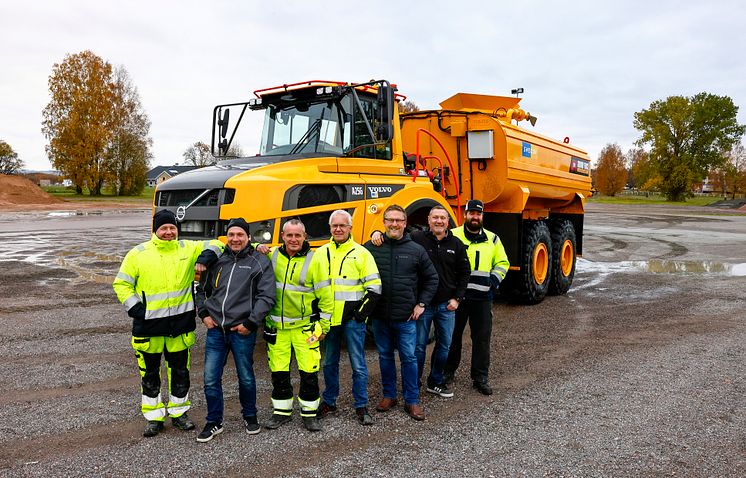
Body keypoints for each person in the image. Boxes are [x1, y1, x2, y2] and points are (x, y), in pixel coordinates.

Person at [113, 209, 223, 438]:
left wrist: (204, 259)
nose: (168, 232)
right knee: (150, 374)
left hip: (180, 327)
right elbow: (121, 284)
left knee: (180, 372)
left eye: (172, 228)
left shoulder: (187, 248)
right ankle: (154, 417)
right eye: (164, 228)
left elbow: (216, 244)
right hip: (148, 327)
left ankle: (179, 413)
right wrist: (135, 308)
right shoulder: (138, 254)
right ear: (155, 230)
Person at [370, 205, 470, 399]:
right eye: (435, 218)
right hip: (422, 305)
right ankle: (414, 383)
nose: (439, 221)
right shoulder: (417, 238)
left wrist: (457, 298)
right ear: (429, 220)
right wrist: (376, 233)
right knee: (418, 347)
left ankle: (435, 381)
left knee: (444, 345)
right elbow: (396, 233)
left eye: (443, 218)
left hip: (446, 305)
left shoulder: (456, 244)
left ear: (448, 221)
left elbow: (465, 273)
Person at [193, 218, 276, 442]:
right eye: (231, 235)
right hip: (216, 331)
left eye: (240, 235)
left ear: (248, 237)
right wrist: (204, 315)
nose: (235, 239)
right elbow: (200, 290)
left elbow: (267, 296)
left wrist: (250, 323)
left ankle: (250, 416)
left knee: (246, 378)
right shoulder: (217, 260)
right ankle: (214, 422)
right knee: (210, 379)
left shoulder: (259, 261)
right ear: (227, 237)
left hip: (241, 331)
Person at [364, 205, 438, 421]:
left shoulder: (416, 250)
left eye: (398, 220)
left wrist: (422, 304)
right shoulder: (371, 247)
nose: (394, 224)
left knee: (409, 358)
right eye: (390, 220)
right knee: (385, 356)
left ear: (405, 223)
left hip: (406, 317)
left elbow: (432, 279)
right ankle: (389, 396)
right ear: (384, 222)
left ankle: (412, 400)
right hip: (380, 316)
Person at [263, 219, 333, 432]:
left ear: (305, 237)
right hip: (277, 327)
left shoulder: (315, 260)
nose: (293, 239)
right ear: (282, 236)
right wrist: (258, 246)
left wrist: (324, 326)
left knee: (309, 372)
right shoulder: (271, 255)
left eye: (298, 235)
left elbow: (326, 296)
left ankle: (309, 414)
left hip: (305, 328)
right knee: (279, 372)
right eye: (289, 235)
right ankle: (281, 412)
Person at [316, 210, 381, 426]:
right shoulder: (321, 253)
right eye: (334, 225)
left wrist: (360, 315)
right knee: (329, 363)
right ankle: (329, 401)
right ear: (330, 228)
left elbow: (374, 288)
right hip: (329, 319)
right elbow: (313, 286)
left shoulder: (361, 253)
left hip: (353, 320)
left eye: (342, 225)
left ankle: (361, 406)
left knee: (358, 364)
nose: (338, 229)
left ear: (350, 228)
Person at [444, 199, 510, 395]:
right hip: (458, 298)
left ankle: (480, 377)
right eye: (471, 213)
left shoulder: (493, 239)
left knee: (481, 339)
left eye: (478, 214)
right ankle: (447, 372)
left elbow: (503, 263)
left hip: (482, 298)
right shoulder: (452, 235)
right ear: (465, 215)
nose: (475, 217)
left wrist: (493, 282)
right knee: (451, 337)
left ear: (482, 216)